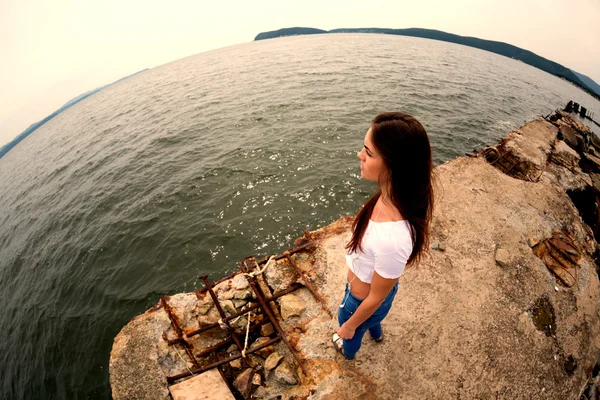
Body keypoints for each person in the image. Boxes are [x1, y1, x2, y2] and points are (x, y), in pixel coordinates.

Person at [332, 112, 435, 360]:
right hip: (374, 293)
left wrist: (348, 326)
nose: (360, 155)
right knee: (373, 317)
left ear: (393, 165)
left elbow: (375, 297)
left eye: (368, 152)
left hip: (360, 301)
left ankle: (348, 353)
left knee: (352, 332)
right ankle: (376, 333)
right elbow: (381, 291)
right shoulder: (392, 197)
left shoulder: (393, 238)